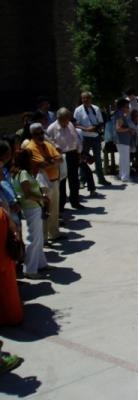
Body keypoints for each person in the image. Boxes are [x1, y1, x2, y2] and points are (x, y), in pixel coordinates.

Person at [12, 148, 49, 279]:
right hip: (31, 208)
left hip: (34, 208)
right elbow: (27, 195)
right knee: (33, 239)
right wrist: (42, 198)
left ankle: (40, 263)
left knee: (38, 237)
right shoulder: (22, 174)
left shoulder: (22, 173)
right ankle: (30, 269)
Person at [24, 122, 63, 242]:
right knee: (44, 211)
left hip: (54, 181)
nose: (41, 135)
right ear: (32, 134)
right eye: (37, 134)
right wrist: (52, 160)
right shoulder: (30, 147)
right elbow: (42, 164)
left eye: (42, 132)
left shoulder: (47, 144)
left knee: (54, 209)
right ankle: (44, 239)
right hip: (42, 185)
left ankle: (54, 233)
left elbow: (60, 159)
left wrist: (50, 161)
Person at [47, 108, 86, 210]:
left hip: (72, 154)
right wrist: (56, 149)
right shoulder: (51, 128)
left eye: (68, 119)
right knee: (62, 181)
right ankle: (61, 205)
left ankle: (75, 201)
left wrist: (79, 152)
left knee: (74, 180)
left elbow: (76, 139)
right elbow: (49, 144)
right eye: (65, 120)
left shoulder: (70, 125)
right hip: (61, 157)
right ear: (59, 118)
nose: (67, 122)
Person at [73, 91, 111, 185]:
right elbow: (75, 124)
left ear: (91, 99)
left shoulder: (96, 109)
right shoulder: (78, 110)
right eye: (83, 98)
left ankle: (101, 178)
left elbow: (101, 122)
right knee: (83, 159)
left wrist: (95, 128)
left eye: (87, 98)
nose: (85, 100)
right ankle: (82, 180)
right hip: (84, 137)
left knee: (98, 158)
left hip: (95, 137)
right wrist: (86, 129)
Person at [0, 192, 23, 326]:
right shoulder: (2, 214)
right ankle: (14, 316)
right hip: (5, 257)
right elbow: (14, 230)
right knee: (9, 288)